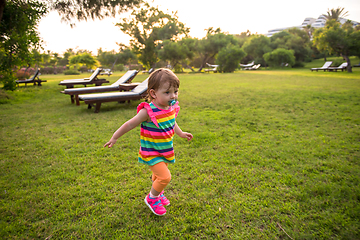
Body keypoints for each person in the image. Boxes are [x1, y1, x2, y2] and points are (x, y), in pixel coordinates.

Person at [104, 68, 193, 216]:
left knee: (158, 177)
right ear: (153, 93)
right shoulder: (148, 112)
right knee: (165, 177)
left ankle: (159, 192)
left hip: (164, 149)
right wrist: (115, 137)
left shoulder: (170, 107)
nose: (173, 96)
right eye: (167, 92)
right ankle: (152, 198)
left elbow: (172, 122)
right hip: (151, 152)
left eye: (175, 92)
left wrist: (181, 133)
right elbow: (129, 124)